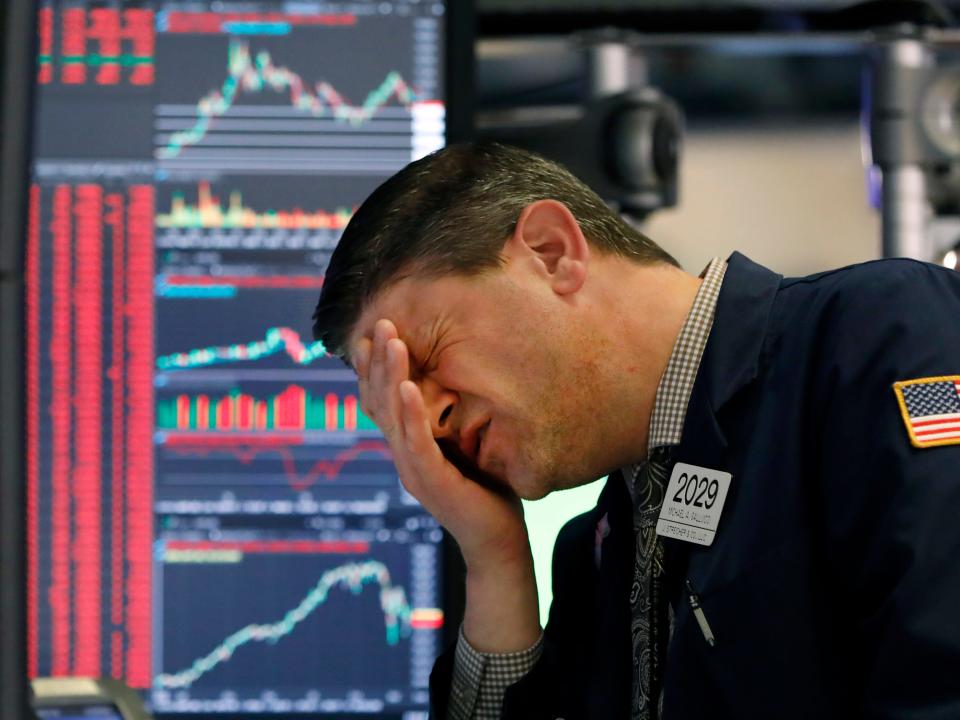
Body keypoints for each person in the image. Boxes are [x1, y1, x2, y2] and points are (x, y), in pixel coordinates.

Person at [312, 141, 960, 720]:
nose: (427, 423)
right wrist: (494, 561)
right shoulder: (597, 556)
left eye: (424, 359)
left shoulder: (881, 338)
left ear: (552, 252)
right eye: (393, 404)